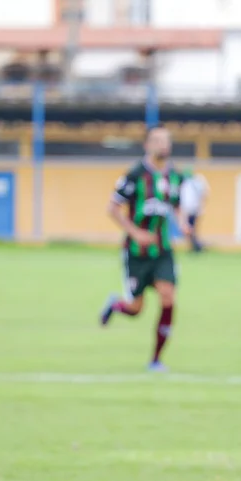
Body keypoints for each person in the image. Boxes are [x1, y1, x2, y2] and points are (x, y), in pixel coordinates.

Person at [100, 125, 191, 372]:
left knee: (168, 297)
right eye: (158, 140)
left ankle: (156, 359)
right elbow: (112, 209)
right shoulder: (134, 175)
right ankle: (115, 304)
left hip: (163, 251)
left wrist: (182, 224)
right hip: (137, 254)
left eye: (167, 140)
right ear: (147, 145)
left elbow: (176, 205)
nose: (163, 145)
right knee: (135, 309)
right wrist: (136, 233)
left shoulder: (176, 176)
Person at [179, 168, 209, 252]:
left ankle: (195, 246)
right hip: (192, 209)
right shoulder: (197, 181)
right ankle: (194, 246)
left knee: (191, 229)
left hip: (191, 209)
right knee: (190, 229)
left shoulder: (193, 182)